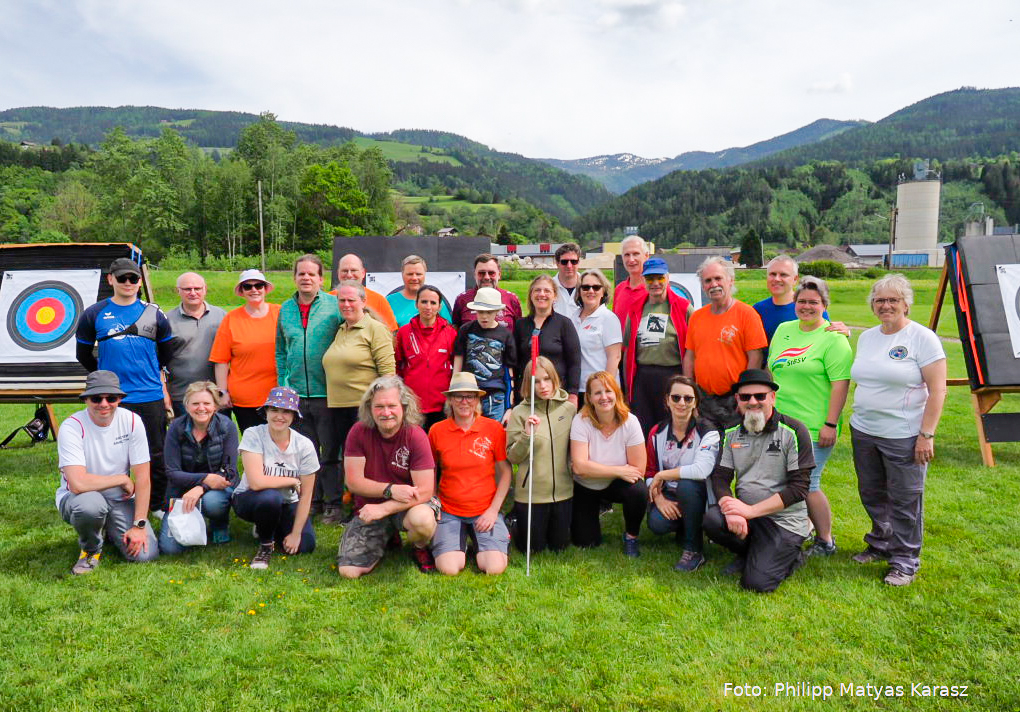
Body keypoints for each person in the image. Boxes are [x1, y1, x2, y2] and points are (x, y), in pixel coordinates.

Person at [849, 274, 946, 587]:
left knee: (905, 500)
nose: (886, 305)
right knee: (872, 493)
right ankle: (880, 542)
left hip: (903, 434)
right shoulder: (868, 337)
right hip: (864, 429)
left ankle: (905, 561)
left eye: (893, 300)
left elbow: (938, 390)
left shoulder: (923, 338)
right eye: (880, 300)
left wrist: (926, 434)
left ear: (906, 304)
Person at [75, 257, 176, 515]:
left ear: (140, 281)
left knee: (155, 453)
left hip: (149, 394)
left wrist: (152, 373)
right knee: (112, 453)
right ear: (111, 280)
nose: (128, 283)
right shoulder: (94, 314)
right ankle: (113, 501)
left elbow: (166, 352)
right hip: (113, 398)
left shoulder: (154, 313)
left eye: (133, 279)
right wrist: (104, 381)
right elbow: (83, 355)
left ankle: (156, 505)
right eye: (122, 278)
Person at [703, 369, 814, 593]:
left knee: (756, 584)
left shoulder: (794, 431)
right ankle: (752, 553)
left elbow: (798, 489)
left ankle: (792, 555)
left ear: (772, 397)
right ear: (737, 401)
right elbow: (721, 477)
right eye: (745, 397)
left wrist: (750, 511)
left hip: (783, 522)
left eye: (760, 396)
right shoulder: (732, 432)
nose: (753, 402)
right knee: (712, 519)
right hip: (748, 516)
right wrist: (731, 508)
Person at [768, 277, 852, 557]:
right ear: (794, 304)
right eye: (802, 301)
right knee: (783, 480)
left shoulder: (834, 339)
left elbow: (841, 384)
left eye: (813, 302)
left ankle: (825, 541)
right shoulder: (783, 330)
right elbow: (773, 373)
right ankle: (797, 528)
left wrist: (830, 423)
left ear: (824, 305)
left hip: (815, 426)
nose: (807, 306)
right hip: (780, 423)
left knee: (808, 484)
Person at [56, 370, 158, 574]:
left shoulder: (132, 421)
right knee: (90, 506)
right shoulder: (71, 426)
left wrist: (139, 525)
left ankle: (109, 529)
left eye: (111, 398)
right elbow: (78, 484)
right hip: (79, 498)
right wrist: (120, 478)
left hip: (120, 498)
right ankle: (90, 550)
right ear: (85, 399)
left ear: (119, 399)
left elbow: (143, 478)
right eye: (96, 398)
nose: (104, 404)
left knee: (146, 555)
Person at [337, 376, 440, 578]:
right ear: (369, 408)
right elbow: (353, 482)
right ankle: (388, 535)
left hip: (410, 505)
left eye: (392, 406)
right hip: (370, 507)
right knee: (349, 571)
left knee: (423, 520)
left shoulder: (416, 435)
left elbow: (426, 490)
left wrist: (384, 507)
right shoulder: (358, 432)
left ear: (403, 406)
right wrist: (390, 489)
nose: (386, 413)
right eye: (379, 407)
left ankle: (419, 546)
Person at [322, 280, 396, 522]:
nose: (346, 304)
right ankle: (350, 506)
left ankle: (368, 509)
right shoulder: (341, 330)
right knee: (347, 460)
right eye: (341, 300)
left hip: (362, 408)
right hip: (337, 407)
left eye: (351, 299)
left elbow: (388, 374)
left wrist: (384, 407)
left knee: (367, 460)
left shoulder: (375, 329)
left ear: (363, 302)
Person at [275, 254, 343, 518]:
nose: (306, 278)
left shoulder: (333, 306)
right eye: (301, 274)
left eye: (311, 274)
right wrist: (284, 384)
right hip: (296, 394)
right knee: (305, 451)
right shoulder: (285, 309)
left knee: (330, 451)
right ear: (294, 278)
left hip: (327, 391)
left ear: (321, 279)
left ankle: (333, 503)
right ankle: (311, 500)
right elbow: (281, 350)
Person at [428, 373, 512, 576]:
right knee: (449, 569)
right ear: (450, 400)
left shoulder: (493, 429)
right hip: (449, 510)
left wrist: (493, 510)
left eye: (470, 396)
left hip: (484, 510)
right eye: (458, 396)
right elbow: (431, 470)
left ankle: (485, 539)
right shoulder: (437, 430)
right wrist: (433, 501)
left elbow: (506, 472)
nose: (464, 401)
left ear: (477, 400)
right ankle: (462, 545)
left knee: (494, 568)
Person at [232, 387, 318, 570]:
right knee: (271, 498)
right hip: (250, 498)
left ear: (294, 415)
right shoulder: (253, 434)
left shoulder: (305, 445)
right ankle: (265, 544)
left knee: (305, 546)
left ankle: (269, 525)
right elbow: (256, 483)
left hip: (288, 502)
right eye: (274, 410)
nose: (280, 416)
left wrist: (295, 534)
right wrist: (292, 481)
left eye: (286, 411)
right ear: (266, 412)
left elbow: (306, 495)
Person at [645, 375, 721, 572]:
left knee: (687, 484)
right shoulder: (657, 432)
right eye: (676, 397)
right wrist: (659, 498)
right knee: (656, 524)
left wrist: (664, 475)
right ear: (667, 400)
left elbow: (701, 470)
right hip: (670, 493)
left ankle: (694, 550)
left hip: (699, 494)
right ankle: (686, 526)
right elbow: (650, 471)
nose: (681, 403)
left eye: (688, 398)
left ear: (696, 402)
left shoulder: (708, 432)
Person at [683, 256, 768, 429]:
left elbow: (755, 358)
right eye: (707, 280)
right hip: (704, 399)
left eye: (718, 278)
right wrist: (689, 394)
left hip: (735, 400)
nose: (713, 284)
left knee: (737, 450)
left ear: (730, 280)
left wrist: (744, 395)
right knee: (707, 450)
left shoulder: (747, 314)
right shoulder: (697, 317)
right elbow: (689, 358)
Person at [569, 371, 647, 556]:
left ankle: (631, 536)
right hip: (585, 486)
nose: (604, 397)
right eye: (597, 393)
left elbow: (638, 469)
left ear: (616, 393)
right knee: (586, 543)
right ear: (589, 397)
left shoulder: (630, 422)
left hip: (614, 485)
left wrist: (602, 471)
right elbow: (579, 467)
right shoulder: (581, 421)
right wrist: (619, 471)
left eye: (608, 391)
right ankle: (590, 515)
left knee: (638, 490)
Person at [505, 356, 577, 554]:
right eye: (536, 381)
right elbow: (513, 457)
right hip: (531, 495)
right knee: (533, 549)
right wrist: (527, 435)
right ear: (528, 384)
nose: (543, 386)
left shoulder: (569, 409)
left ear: (555, 379)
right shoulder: (519, 413)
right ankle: (512, 523)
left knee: (559, 547)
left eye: (547, 379)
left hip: (564, 492)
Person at [159, 381, 239, 555]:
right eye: (195, 403)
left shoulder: (227, 427)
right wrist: (206, 479)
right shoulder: (175, 428)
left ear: (216, 406)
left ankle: (219, 523)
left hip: (216, 489)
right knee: (170, 549)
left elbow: (230, 472)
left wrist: (200, 487)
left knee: (213, 502)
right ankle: (194, 515)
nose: (201, 408)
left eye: (207, 403)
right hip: (180, 491)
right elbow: (172, 473)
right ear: (186, 406)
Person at [622, 257, 692, 433]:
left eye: (659, 278)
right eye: (650, 279)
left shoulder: (683, 308)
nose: (655, 283)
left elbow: (693, 349)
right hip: (643, 378)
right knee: (641, 428)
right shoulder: (636, 308)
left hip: (672, 375)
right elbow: (628, 349)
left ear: (667, 278)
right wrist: (626, 386)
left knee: (670, 427)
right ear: (644, 280)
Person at [210, 269, 282, 433]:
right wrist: (222, 391)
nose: (254, 290)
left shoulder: (280, 312)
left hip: (277, 394)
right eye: (248, 286)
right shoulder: (231, 319)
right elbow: (220, 360)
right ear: (241, 291)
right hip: (245, 398)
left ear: (265, 288)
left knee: (280, 445)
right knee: (253, 445)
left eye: (259, 285)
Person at [395, 284, 458, 432]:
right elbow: (397, 366)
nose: (428, 306)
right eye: (424, 302)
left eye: (433, 302)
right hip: (413, 405)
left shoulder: (450, 333)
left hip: (442, 405)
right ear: (416, 304)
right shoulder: (404, 333)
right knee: (415, 449)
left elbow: (457, 366)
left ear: (439, 306)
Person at [514, 275, 581, 405]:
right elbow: (515, 363)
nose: (542, 294)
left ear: (554, 296)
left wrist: (573, 394)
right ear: (531, 295)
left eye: (547, 291)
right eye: (537, 290)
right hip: (528, 395)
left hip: (557, 394)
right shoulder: (520, 325)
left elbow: (574, 362)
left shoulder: (564, 324)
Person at [165, 272, 225, 418]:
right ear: (178, 290)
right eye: (187, 289)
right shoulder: (166, 320)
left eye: (197, 288)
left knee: (218, 438)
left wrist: (224, 391)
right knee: (186, 439)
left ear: (205, 289)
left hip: (215, 394)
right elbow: (157, 362)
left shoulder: (222, 317)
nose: (193, 293)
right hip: (181, 395)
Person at [453, 286, 517, 422]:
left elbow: (509, 374)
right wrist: (454, 392)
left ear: (498, 312)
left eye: (489, 312)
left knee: (494, 436)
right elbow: (457, 364)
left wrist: (509, 406)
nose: (484, 316)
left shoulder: (505, 335)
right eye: (480, 312)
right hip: (469, 394)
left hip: (495, 397)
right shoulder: (466, 330)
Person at [571, 269, 622, 406]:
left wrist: (604, 389)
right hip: (578, 389)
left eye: (596, 287)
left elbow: (614, 357)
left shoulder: (608, 318)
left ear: (603, 291)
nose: (591, 291)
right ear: (579, 291)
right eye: (586, 287)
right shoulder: (572, 317)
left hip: (601, 391)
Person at [451, 253, 522, 330]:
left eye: (491, 273)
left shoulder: (511, 299)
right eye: (481, 273)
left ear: (499, 275)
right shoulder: (462, 299)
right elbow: (455, 329)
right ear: (475, 275)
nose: (487, 277)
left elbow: (519, 331)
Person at [336, 253, 398, 332]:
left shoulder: (379, 300)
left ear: (363, 273)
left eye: (353, 270)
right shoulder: (328, 299)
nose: (349, 275)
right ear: (338, 273)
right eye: (344, 271)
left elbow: (391, 332)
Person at [386, 254, 453, 327]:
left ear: (424, 274)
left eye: (418, 274)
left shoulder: (435, 299)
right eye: (410, 274)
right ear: (402, 274)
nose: (414, 278)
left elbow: (448, 329)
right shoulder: (389, 301)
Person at [612, 235, 648, 324]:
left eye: (636, 254)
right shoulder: (619, 289)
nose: (631, 259)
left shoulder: (655, 290)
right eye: (627, 255)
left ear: (646, 256)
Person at [552, 242, 582, 320]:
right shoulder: (548, 288)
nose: (569, 266)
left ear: (578, 262)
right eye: (564, 262)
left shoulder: (590, 287)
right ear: (557, 263)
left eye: (573, 261)